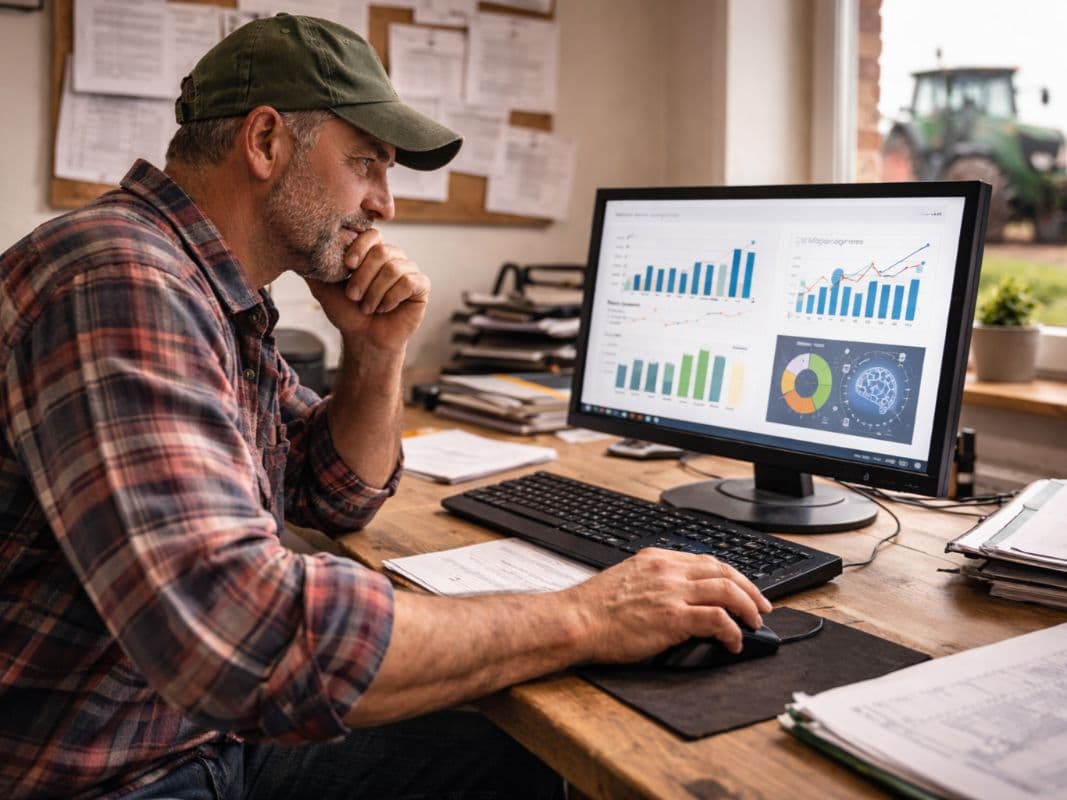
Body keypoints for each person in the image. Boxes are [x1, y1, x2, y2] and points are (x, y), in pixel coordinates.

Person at [0, 14, 772, 800]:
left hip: (188, 735)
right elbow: (243, 638)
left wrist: (375, 349)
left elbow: (330, 494)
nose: (384, 203)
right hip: (104, 772)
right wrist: (587, 616)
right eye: (366, 162)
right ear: (265, 142)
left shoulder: (213, 292)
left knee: (533, 761)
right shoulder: (119, 282)